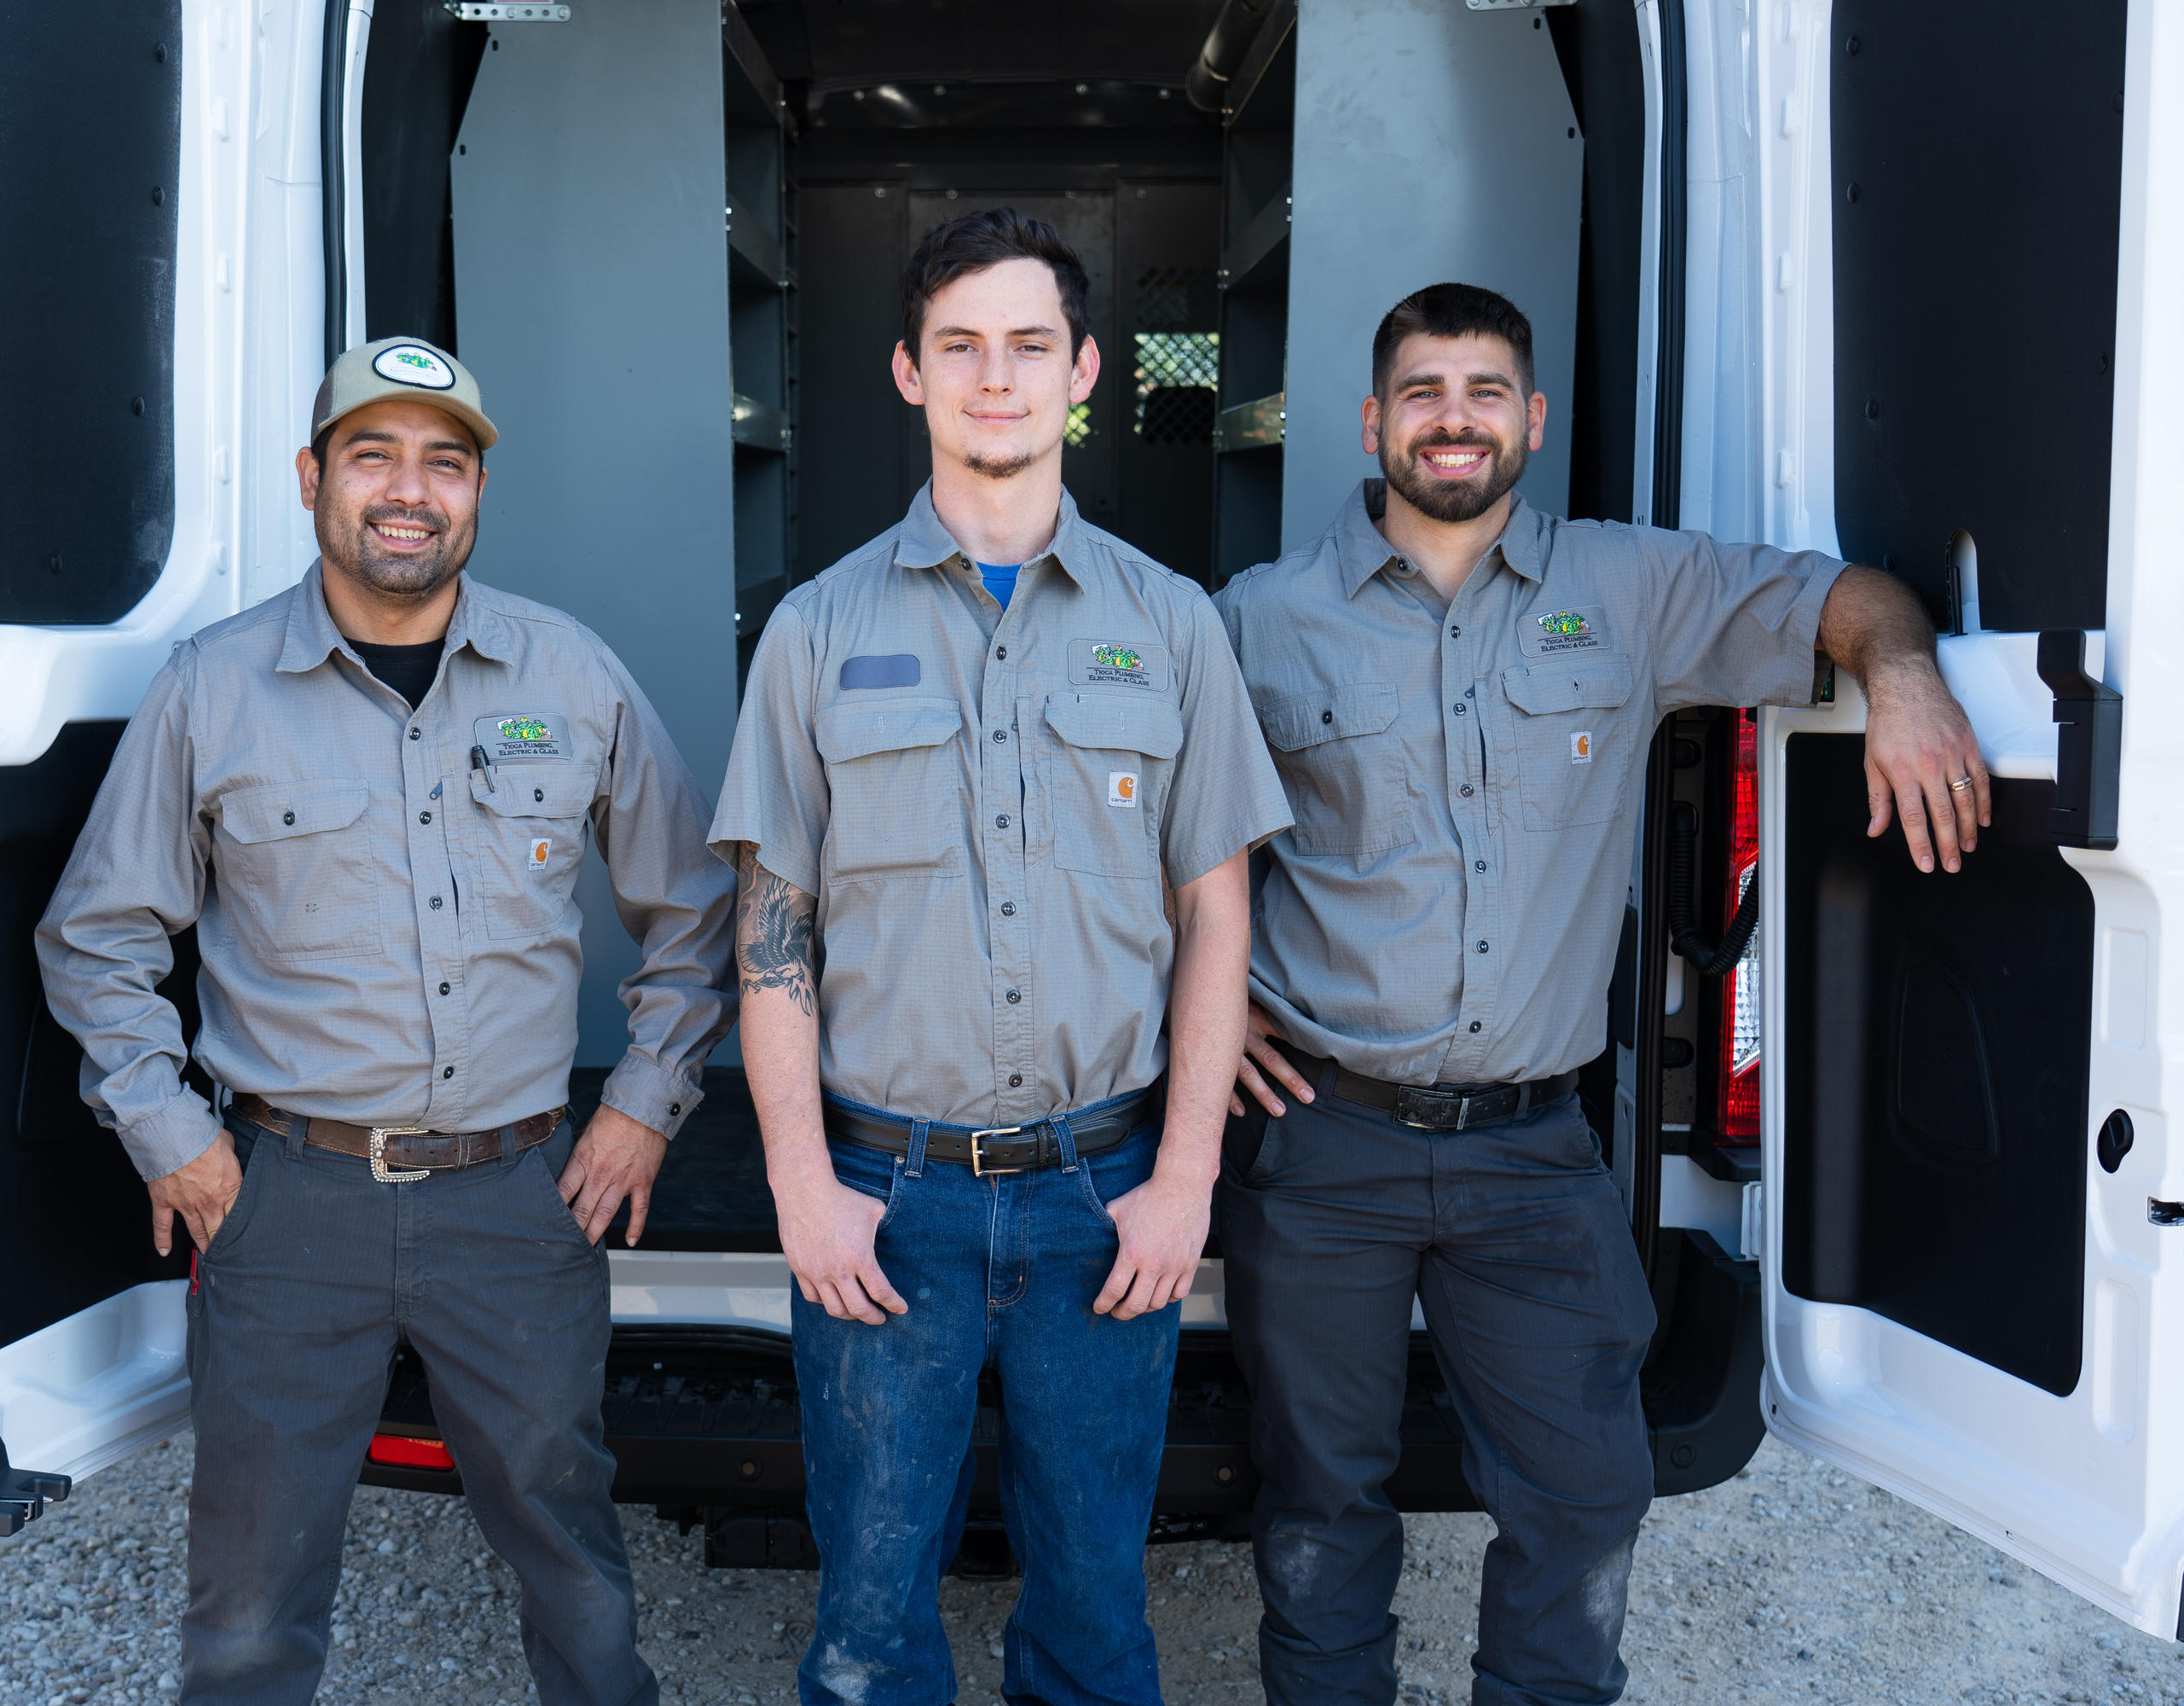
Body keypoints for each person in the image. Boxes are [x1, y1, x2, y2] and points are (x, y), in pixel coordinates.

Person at [1212, 282, 1990, 1706]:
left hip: (1532, 1155)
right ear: (1376, 420)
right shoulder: (1259, 621)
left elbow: (1846, 599)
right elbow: (1146, 830)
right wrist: (1209, 1001)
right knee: (1321, 1508)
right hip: (1323, 1143)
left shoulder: (1634, 589)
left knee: (1585, 1495)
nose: (1457, 419)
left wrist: (1908, 678)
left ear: (1534, 420)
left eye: (1487, 391)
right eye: (1428, 392)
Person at [36, 335, 737, 1706]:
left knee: (569, 1544)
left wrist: (645, 1106)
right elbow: (98, 936)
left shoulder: (570, 675)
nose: (410, 489)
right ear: (313, 479)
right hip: (286, 1203)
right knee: (252, 1582)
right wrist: (170, 1134)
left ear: (478, 492)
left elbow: (698, 903)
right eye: (375, 455)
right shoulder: (213, 688)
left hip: (520, 1202)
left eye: (445, 461)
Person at [710, 208, 1292, 1706]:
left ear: (1084, 372)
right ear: (907, 372)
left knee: (1099, 1610)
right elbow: (773, 929)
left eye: (1030, 346)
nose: (996, 377)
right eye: (960, 346)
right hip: (881, 1202)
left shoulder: (1168, 627)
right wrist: (799, 1190)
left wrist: (1184, 1181)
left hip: (1104, 1201)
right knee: (870, 1616)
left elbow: (1216, 915)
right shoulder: (816, 631)